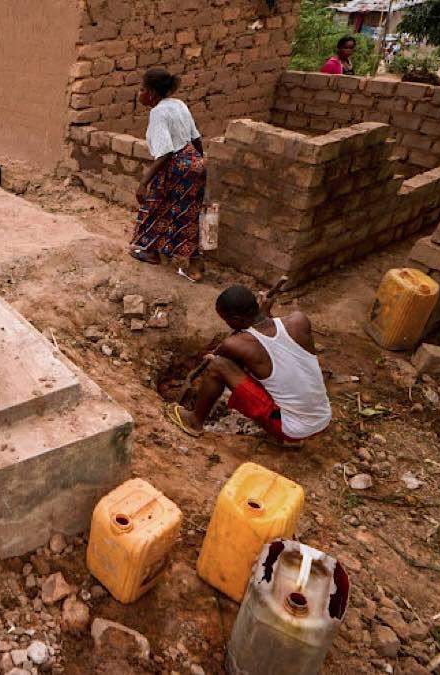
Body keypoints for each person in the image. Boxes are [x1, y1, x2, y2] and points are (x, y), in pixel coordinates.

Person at [165, 286, 332, 448]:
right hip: (323, 417)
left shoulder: (236, 344)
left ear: (237, 319)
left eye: (227, 320)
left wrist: (213, 359)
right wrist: (265, 314)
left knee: (218, 365)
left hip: (290, 429)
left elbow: (223, 359)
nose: (228, 324)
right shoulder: (299, 321)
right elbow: (270, 338)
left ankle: (194, 421)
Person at [130, 67, 207, 281]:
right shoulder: (179, 104)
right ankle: (195, 265)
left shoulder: (158, 112)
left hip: (176, 165)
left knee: (153, 205)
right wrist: (199, 165)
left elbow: (164, 153)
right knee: (187, 213)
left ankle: (152, 252)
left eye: (142, 89)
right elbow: (196, 138)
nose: (139, 93)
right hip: (195, 161)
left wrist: (144, 182)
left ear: (152, 94)